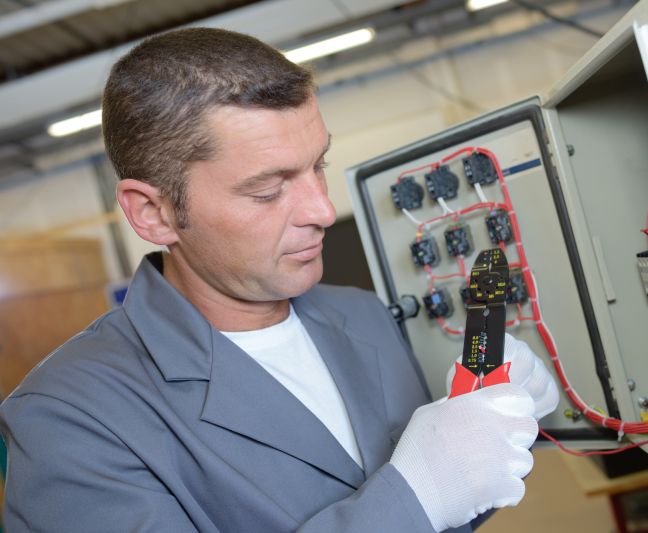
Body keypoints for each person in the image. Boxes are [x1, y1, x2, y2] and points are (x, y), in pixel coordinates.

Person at [0, 28, 558, 532]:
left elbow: (443, 508)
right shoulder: (68, 418)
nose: (322, 210)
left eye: (318, 166)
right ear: (154, 213)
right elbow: (417, 502)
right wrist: (416, 498)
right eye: (267, 191)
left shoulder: (361, 315)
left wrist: (482, 441)